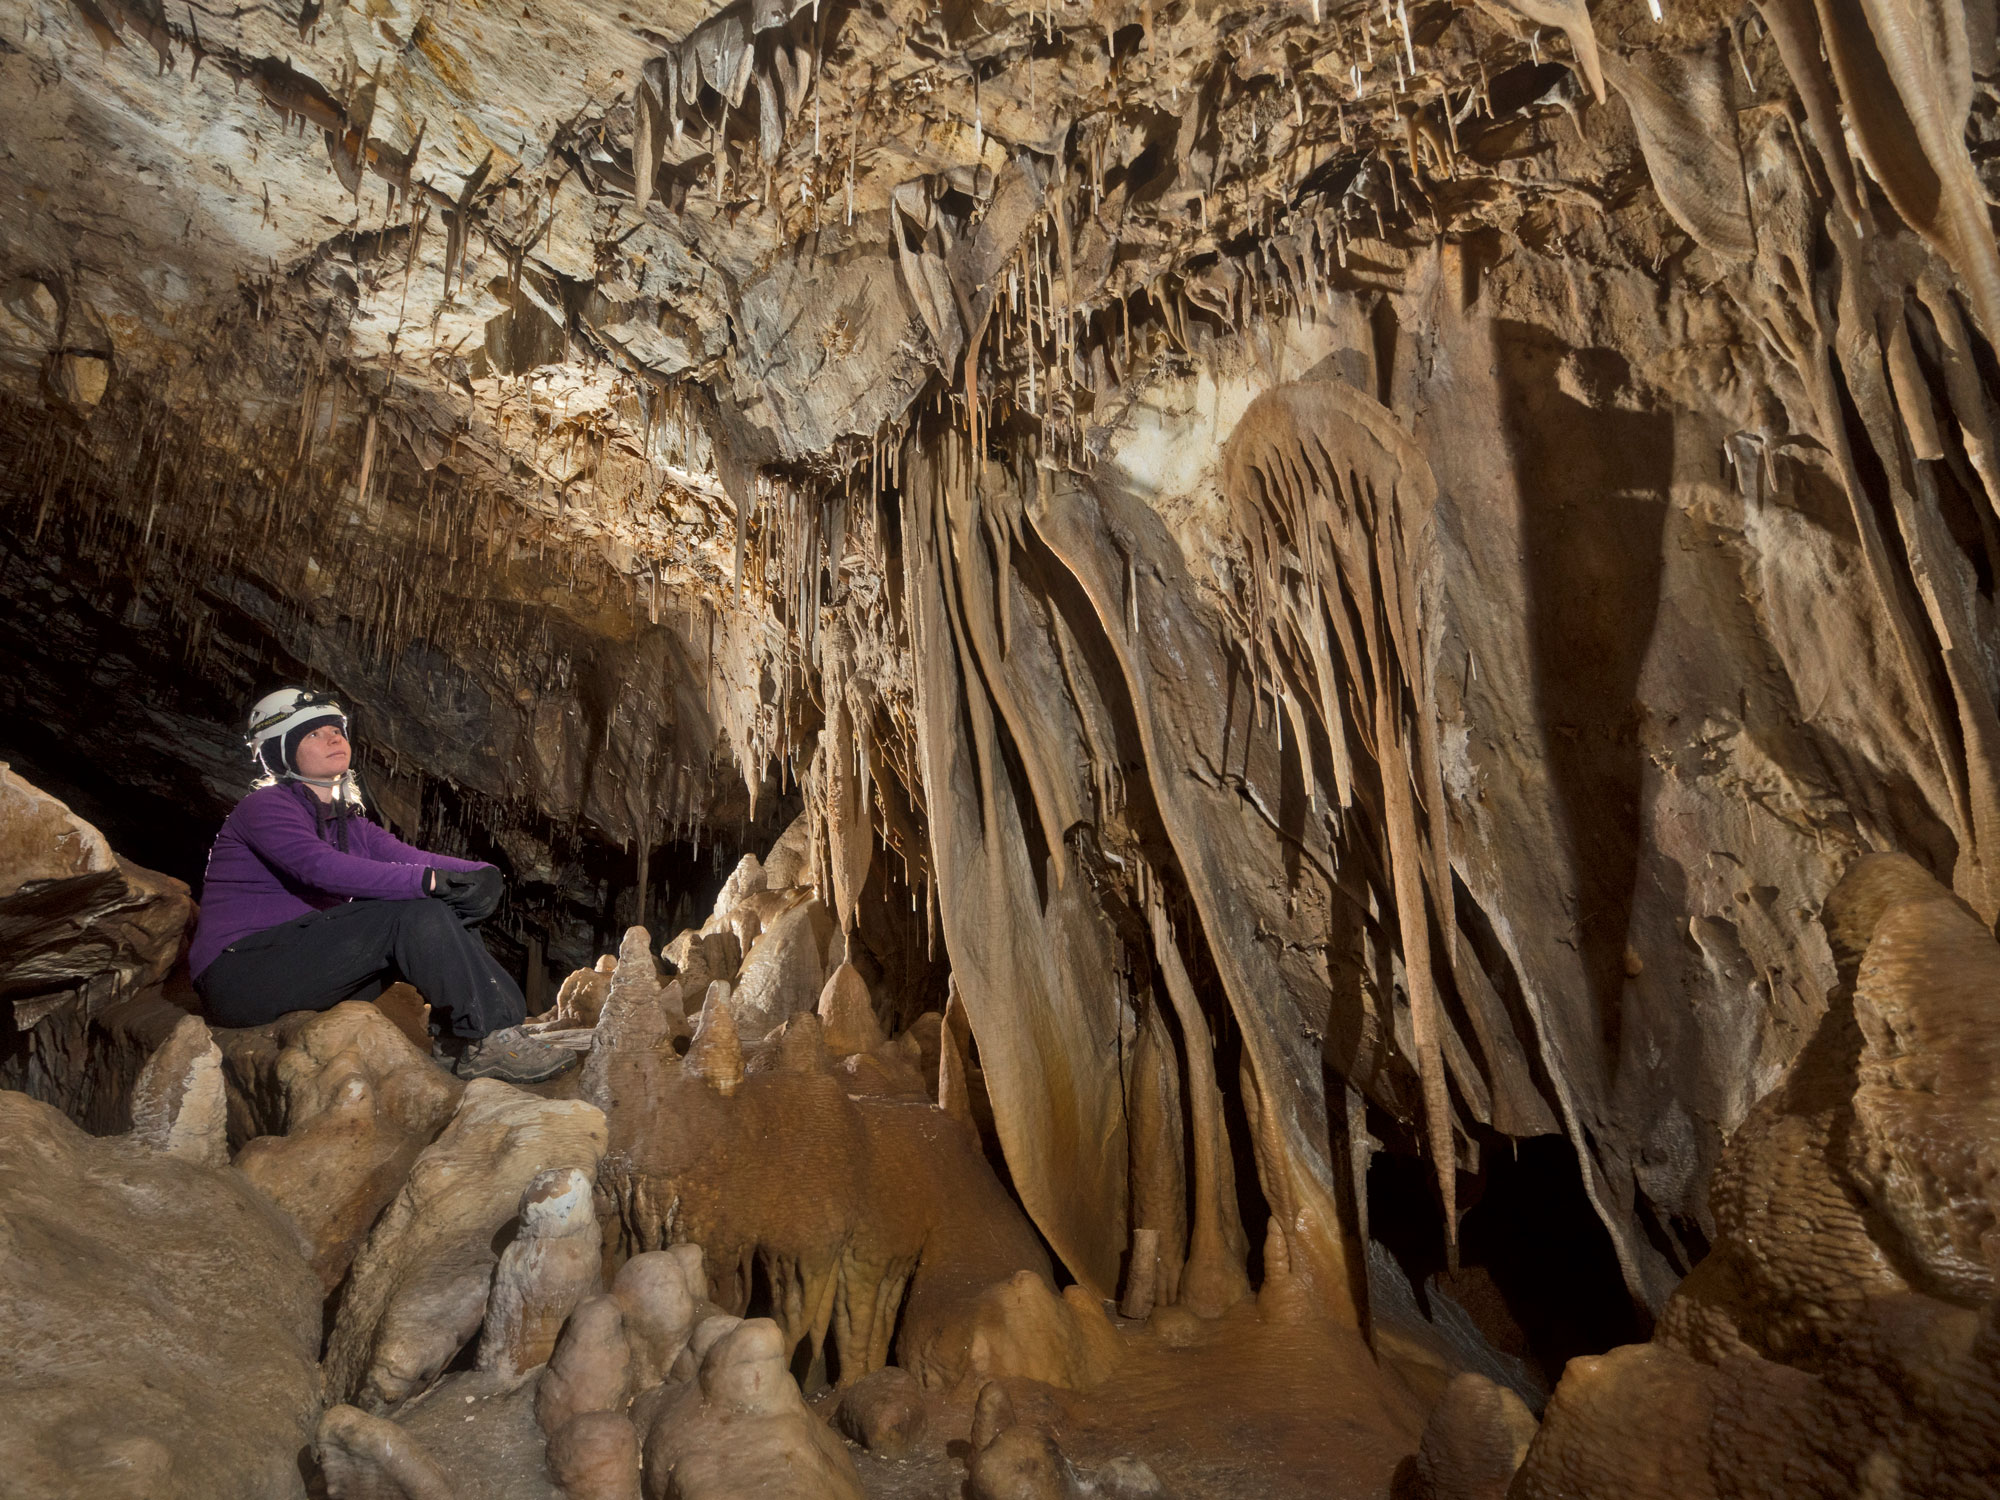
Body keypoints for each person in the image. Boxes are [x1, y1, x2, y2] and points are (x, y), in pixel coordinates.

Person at [189, 687, 575, 1084]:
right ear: (279, 752)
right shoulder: (265, 807)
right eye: (311, 734)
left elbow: (401, 854)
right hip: (241, 975)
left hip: (301, 967)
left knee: (445, 904)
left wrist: (478, 873)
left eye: (334, 729)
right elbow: (319, 867)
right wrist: (428, 882)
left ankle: (460, 1042)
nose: (333, 738)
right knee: (413, 910)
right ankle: (490, 1037)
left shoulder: (348, 822)